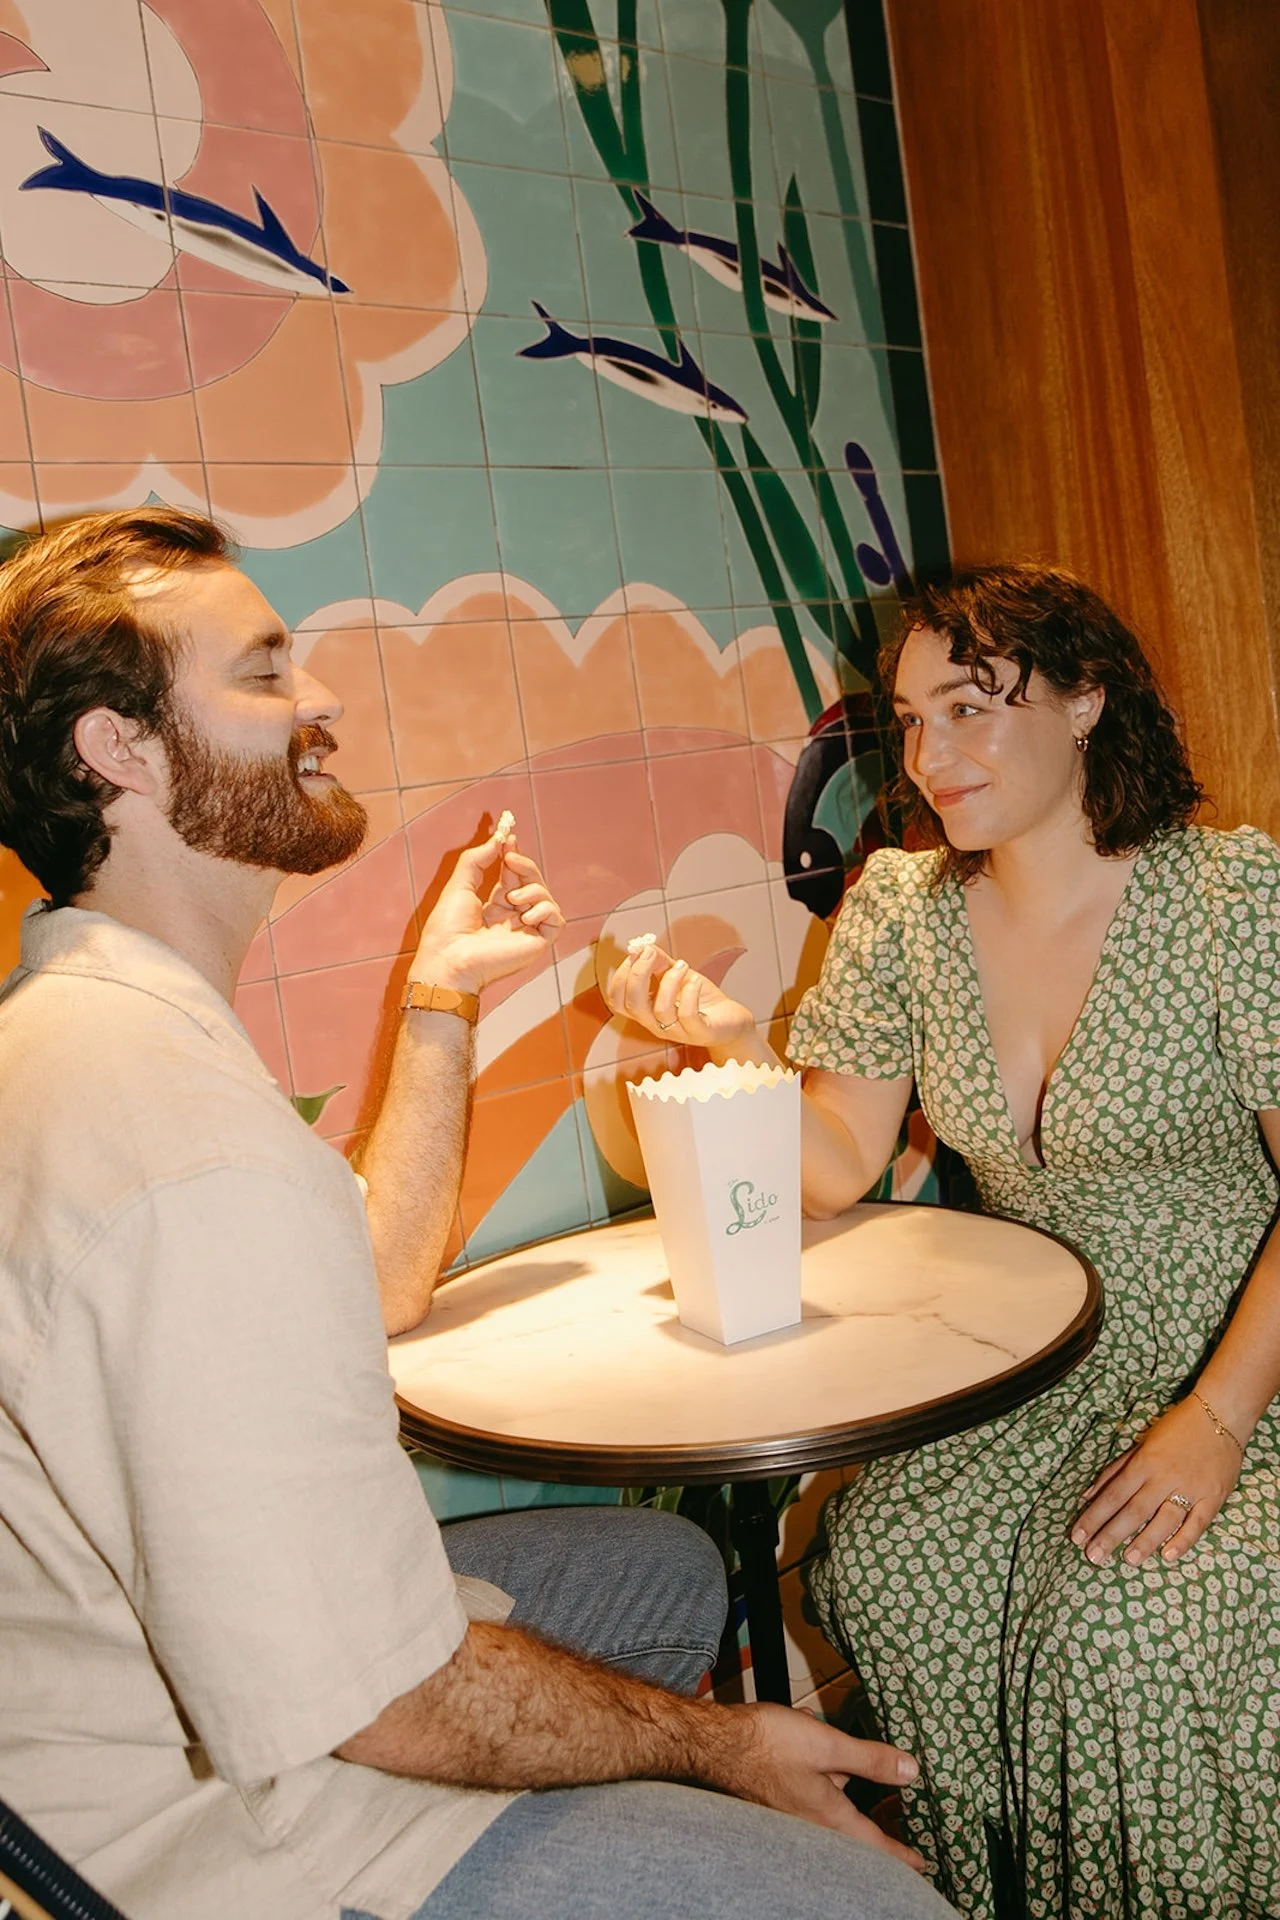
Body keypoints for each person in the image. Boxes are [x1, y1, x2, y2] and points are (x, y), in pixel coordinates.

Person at [0, 507, 955, 1920]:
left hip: (146, 1683)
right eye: (263, 676)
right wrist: (722, 1749)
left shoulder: (92, 1031)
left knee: (658, 1568)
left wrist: (441, 995)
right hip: (227, 1832)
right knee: (887, 1912)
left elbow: (376, 1284)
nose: (318, 700)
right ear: (118, 750)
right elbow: (379, 1702)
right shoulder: (177, 1145)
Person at [609, 564, 1280, 1920]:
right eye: (912, 719)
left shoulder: (1234, 900)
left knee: (1124, 1618)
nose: (931, 755)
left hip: (1247, 1353)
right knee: (882, 1560)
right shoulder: (901, 910)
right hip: (1049, 1354)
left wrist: (1212, 1420)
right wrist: (733, 1048)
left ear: (1088, 700)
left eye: (972, 707)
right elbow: (836, 1165)